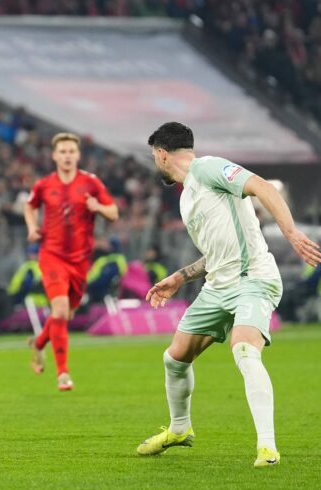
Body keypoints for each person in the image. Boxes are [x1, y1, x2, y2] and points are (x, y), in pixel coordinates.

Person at [136, 122, 321, 467]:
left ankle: (267, 447)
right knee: (175, 359)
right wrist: (180, 277)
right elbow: (218, 253)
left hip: (252, 279)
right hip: (217, 286)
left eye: (153, 156)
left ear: (161, 154)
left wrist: (292, 233)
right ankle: (179, 429)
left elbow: (263, 186)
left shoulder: (208, 168)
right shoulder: (189, 195)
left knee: (245, 350)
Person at [24, 132, 119, 390]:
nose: (67, 156)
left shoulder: (91, 182)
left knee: (66, 314)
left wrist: (98, 207)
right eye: (62, 152)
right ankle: (63, 373)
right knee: (60, 310)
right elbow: (29, 205)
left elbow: (113, 212)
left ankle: (39, 343)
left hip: (80, 260)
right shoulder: (44, 185)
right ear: (54, 156)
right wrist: (32, 227)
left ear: (78, 155)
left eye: (71, 151)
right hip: (52, 255)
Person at [6, 243, 48, 308]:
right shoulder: (28, 267)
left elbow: (25, 286)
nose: (31, 255)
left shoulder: (29, 267)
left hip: (33, 301)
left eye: (33, 253)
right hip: (37, 301)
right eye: (31, 253)